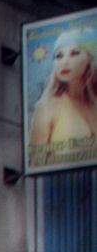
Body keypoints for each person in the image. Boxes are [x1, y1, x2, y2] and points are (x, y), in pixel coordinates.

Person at [28, 29, 97, 166]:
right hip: (59, 185)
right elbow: (35, 162)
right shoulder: (47, 106)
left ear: (90, 58)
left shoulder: (94, 105)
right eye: (59, 56)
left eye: (74, 53)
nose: (64, 62)